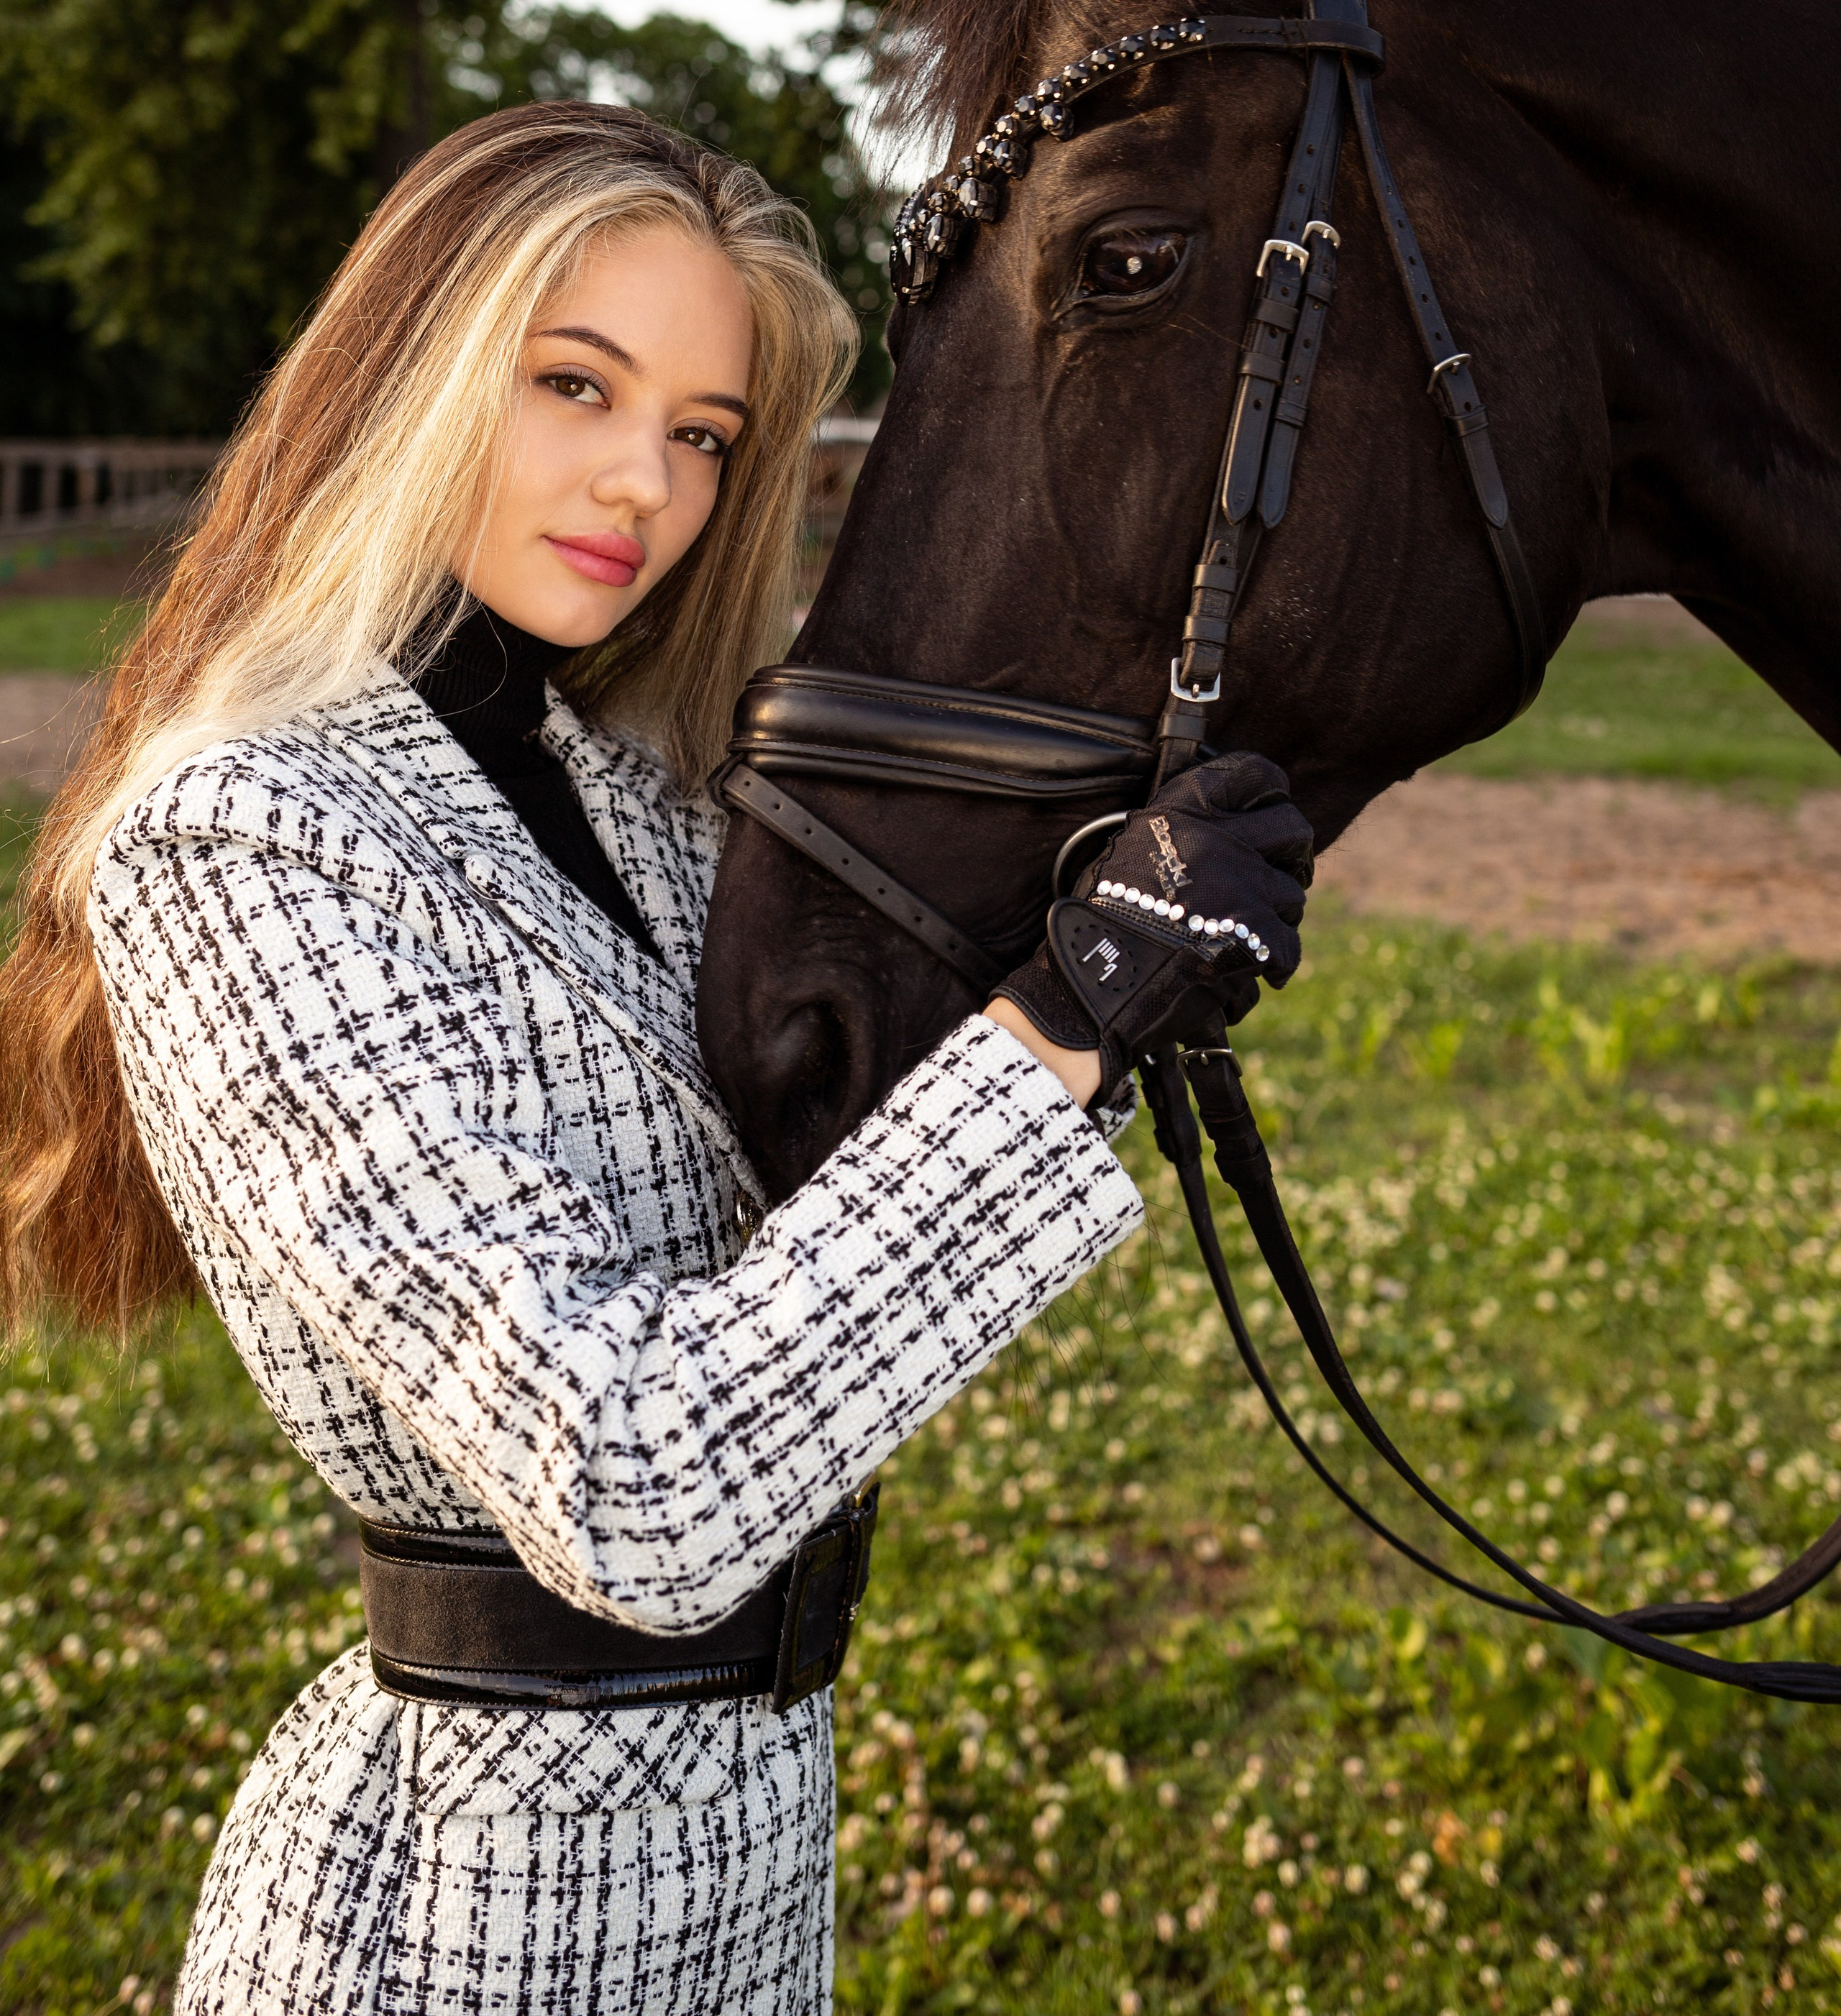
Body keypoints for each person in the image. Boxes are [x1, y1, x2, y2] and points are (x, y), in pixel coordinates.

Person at [0, 102, 1311, 2016]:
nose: (647, 484)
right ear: (414, 376)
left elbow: (823, 1264)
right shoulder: (242, 828)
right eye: (575, 387)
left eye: (702, 436)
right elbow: (630, 1476)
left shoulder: (647, 803)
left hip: (743, 1843)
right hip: (471, 1903)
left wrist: (1081, 911)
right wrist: (1068, 1026)